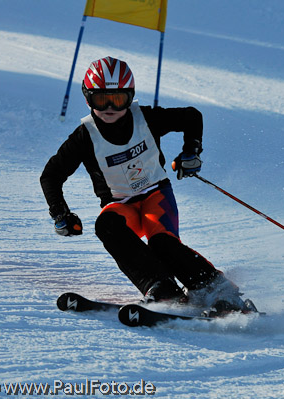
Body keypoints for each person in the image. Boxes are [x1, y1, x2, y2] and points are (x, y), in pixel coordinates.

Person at [40, 56, 249, 313]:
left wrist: (191, 152)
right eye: (100, 98)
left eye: (117, 99)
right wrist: (60, 212)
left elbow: (192, 117)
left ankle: (218, 290)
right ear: (87, 98)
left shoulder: (146, 118)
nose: (109, 107)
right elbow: (51, 175)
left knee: (162, 243)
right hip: (121, 206)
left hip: (155, 197)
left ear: (130, 97)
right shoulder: (84, 136)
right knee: (106, 225)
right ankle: (162, 289)